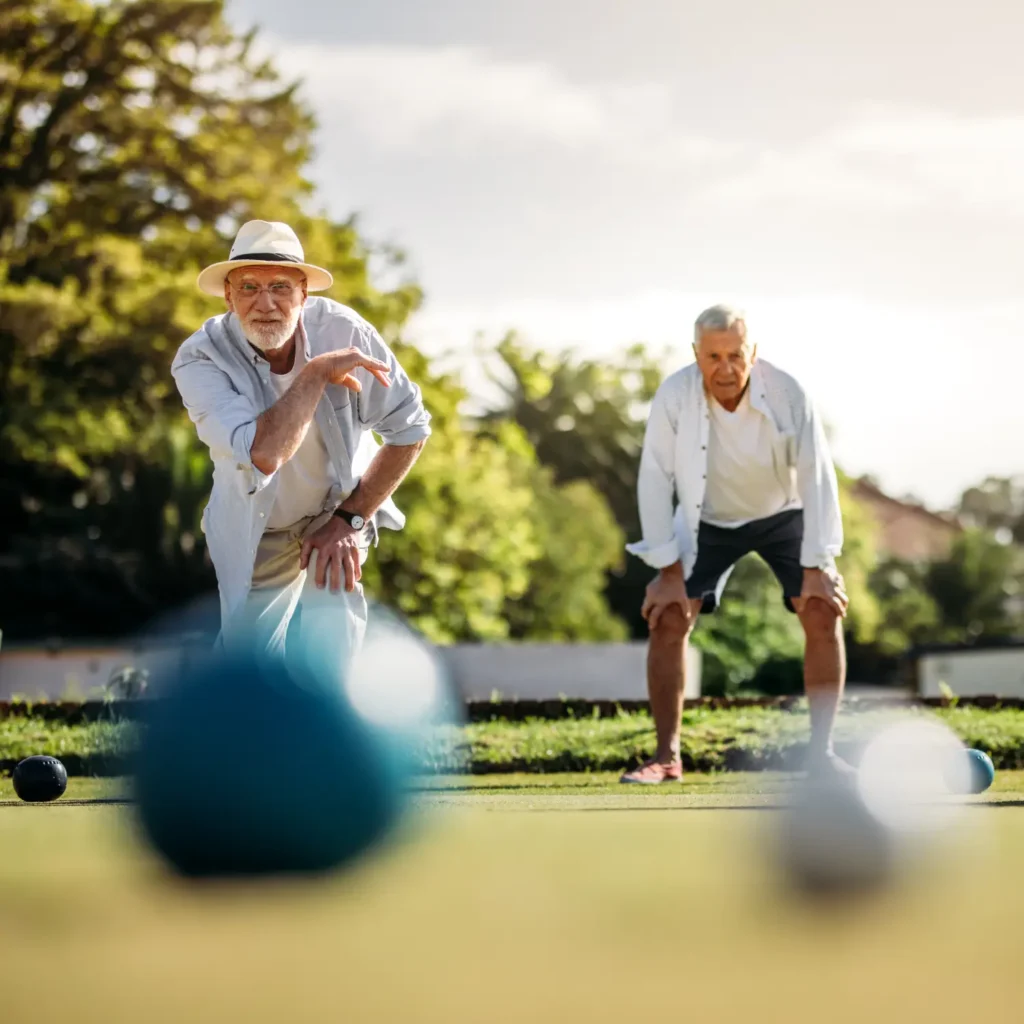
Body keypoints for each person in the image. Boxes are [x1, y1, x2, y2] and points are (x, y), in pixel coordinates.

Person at [171, 219, 431, 664]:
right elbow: (264, 455)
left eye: (281, 287)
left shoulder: (345, 330)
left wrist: (350, 520)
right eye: (249, 287)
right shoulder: (199, 358)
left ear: (304, 294)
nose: (265, 303)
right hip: (257, 522)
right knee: (247, 665)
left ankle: (334, 730)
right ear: (229, 296)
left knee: (333, 648)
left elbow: (411, 429)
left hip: (336, 510)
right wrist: (315, 373)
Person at [622, 304, 848, 783]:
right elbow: (656, 478)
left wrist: (818, 564)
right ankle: (666, 757)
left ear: (753, 352)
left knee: (821, 608)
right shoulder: (674, 394)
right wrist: (667, 571)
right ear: (696, 354)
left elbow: (816, 474)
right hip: (706, 519)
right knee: (667, 616)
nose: (724, 368)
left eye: (735, 355)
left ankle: (822, 756)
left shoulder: (788, 392)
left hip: (783, 513)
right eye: (712, 356)